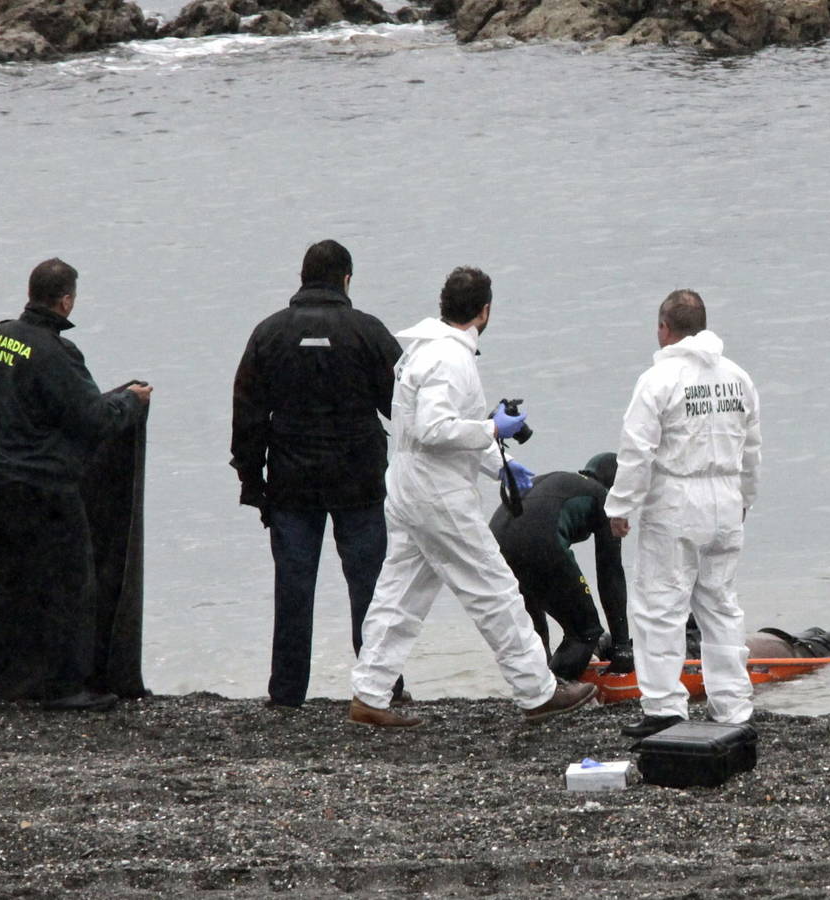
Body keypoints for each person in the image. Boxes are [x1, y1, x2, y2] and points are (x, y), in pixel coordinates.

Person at [348, 267, 598, 727]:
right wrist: (491, 429)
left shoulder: (425, 350)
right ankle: (538, 691)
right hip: (437, 496)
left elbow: (425, 431)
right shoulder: (450, 359)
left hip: (407, 487)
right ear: (484, 311)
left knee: (400, 592)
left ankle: (370, 691)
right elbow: (434, 428)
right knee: (495, 589)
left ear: (446, 305)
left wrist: (496, 462)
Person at [0, 258, 152, 712]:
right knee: (70, 584)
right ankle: (64, 686)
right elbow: (94, 419)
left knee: (9, 585)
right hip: (45, 490)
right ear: (65, 300)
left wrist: (8, 436)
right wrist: (130, 401)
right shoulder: (56, 353)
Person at [230, 239, 405, 710]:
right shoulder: (367, 331)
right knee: (370, 588)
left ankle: (286, 694)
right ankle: (382, 689)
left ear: (303, 278)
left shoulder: (268, 334)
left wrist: (252, 481)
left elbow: (247, 413)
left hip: (291, 482)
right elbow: (402, 410)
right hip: (360, 482)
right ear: (346, 279)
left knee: (293, 587)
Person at [605, 289, 761, 739]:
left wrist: (620, 505)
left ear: (664, 328)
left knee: (660, 606)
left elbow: (637, 450)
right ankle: (733, 704)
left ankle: (665, 706)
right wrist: (746, 496)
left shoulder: (659, 380)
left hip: (676, 498)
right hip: (726, 497)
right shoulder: (737, 378)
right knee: (721, 604)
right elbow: (752, 446)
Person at [490, 452, 632, 681]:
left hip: (496, 544)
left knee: (534, 632)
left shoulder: (564, 482)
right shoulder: (605, 498)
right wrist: (621, 645)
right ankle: (555, 691)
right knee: (586, 632)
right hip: (540, 542)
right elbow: (610, 575)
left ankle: (536, 687)